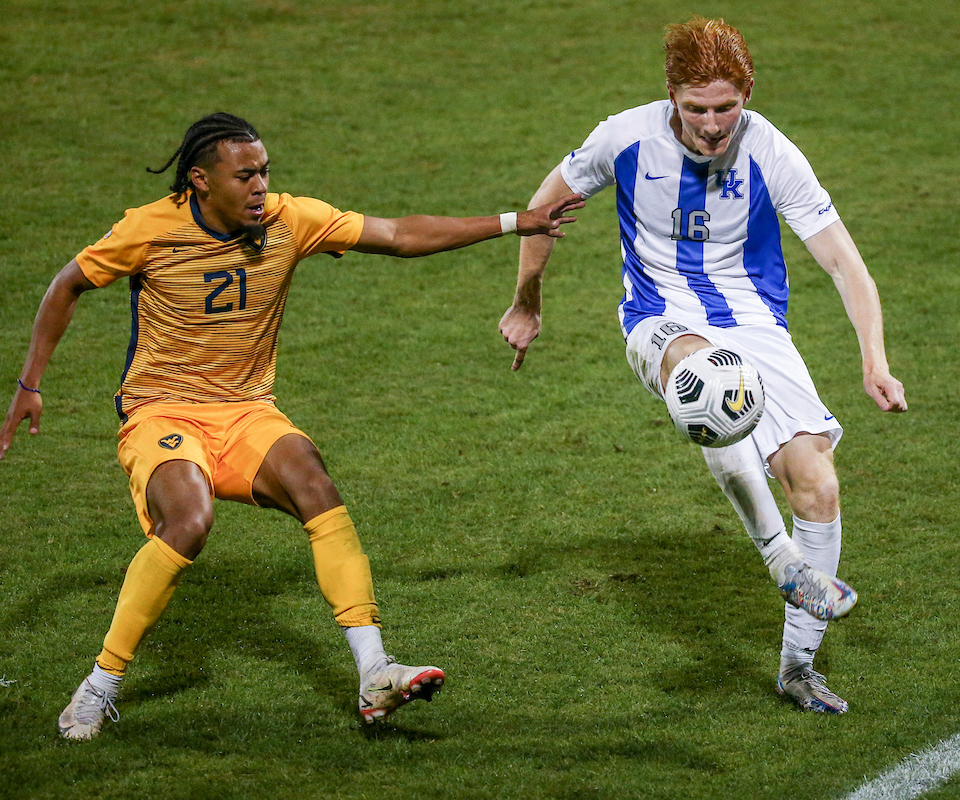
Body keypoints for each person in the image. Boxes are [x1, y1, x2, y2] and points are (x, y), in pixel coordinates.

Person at [0, 112, 583, 740]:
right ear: (200, 180)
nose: (260, 187)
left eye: (265, 172)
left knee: (314, 484)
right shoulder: (150, 229)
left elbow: (397, 235)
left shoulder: (290, 219)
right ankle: (100, 685)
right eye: (245, 176)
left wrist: (513, 222)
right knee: (189, 521)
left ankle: (375, 672)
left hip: (247, 411)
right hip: (162, 411)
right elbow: (67, 285)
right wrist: (29, 385)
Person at [499, 18, 906, 714]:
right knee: (709, 378)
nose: (713, 126)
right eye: (696, 109)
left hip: (756, 325)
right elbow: (544, 207)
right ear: (671, 96)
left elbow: (844, 261)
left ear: (748, 93)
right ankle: (781, 559)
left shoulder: (770, 151)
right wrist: (526, 300)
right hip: (660, 321)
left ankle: (798, 669)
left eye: (726, 108)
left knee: (818, 485)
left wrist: (875, 358)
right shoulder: (625, 138)